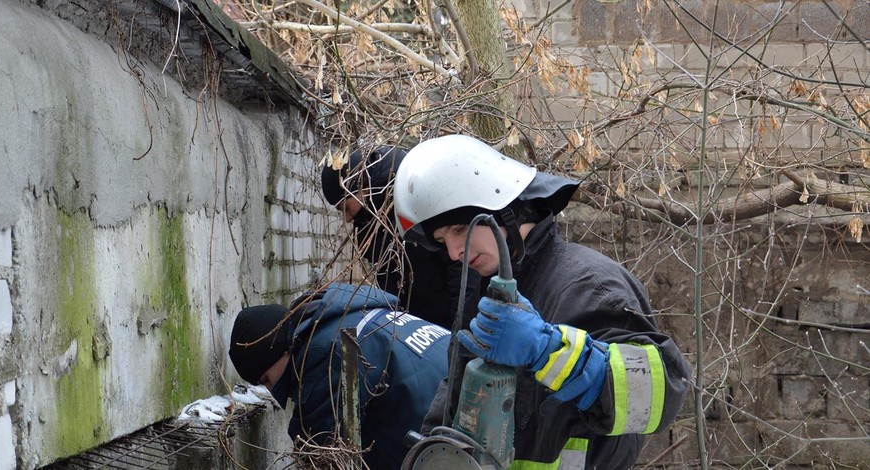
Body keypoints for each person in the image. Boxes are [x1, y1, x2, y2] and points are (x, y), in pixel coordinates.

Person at [392, 134, 691, 469]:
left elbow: (662, 395)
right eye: (441, 240)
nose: (453, 252)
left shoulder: (590, 284)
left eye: (460, 228)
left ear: (504, 208)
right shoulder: (488, 292)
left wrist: (546, 349)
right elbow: (458, 396)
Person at [228, 282, 450, 469]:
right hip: (458, 400)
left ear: (281, 350)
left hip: (444, 439)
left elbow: (320, 448)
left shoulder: (323, 352)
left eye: (266, 379)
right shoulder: (348, 312)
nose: (271, 389)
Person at [321, 145, 479, 329]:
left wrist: (460, 330)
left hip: (447, 323)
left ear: (361, 188)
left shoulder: (412, 199)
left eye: (346, 208)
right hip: (412, 328)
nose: (346, 218)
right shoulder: (368, 224)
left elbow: (462, 272)